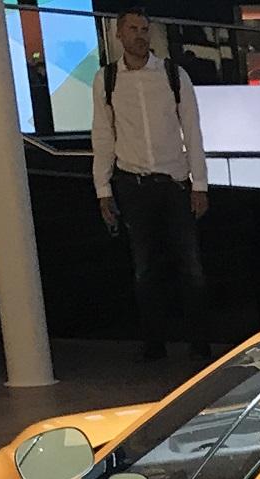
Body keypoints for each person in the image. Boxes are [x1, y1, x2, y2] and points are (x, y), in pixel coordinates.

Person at [92, 6, 211, 362]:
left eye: (144, 29)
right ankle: (154, 342)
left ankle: (199, 341)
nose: (140, 35)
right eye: (133, 29)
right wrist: (103, 189)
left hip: (174, 183)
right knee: (145, 268)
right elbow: (103, 135)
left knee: (190, 267)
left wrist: (200, 184)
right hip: (134, 183)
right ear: (119, 34)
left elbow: (192, 130)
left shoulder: (173, 75)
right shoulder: (107, 79)